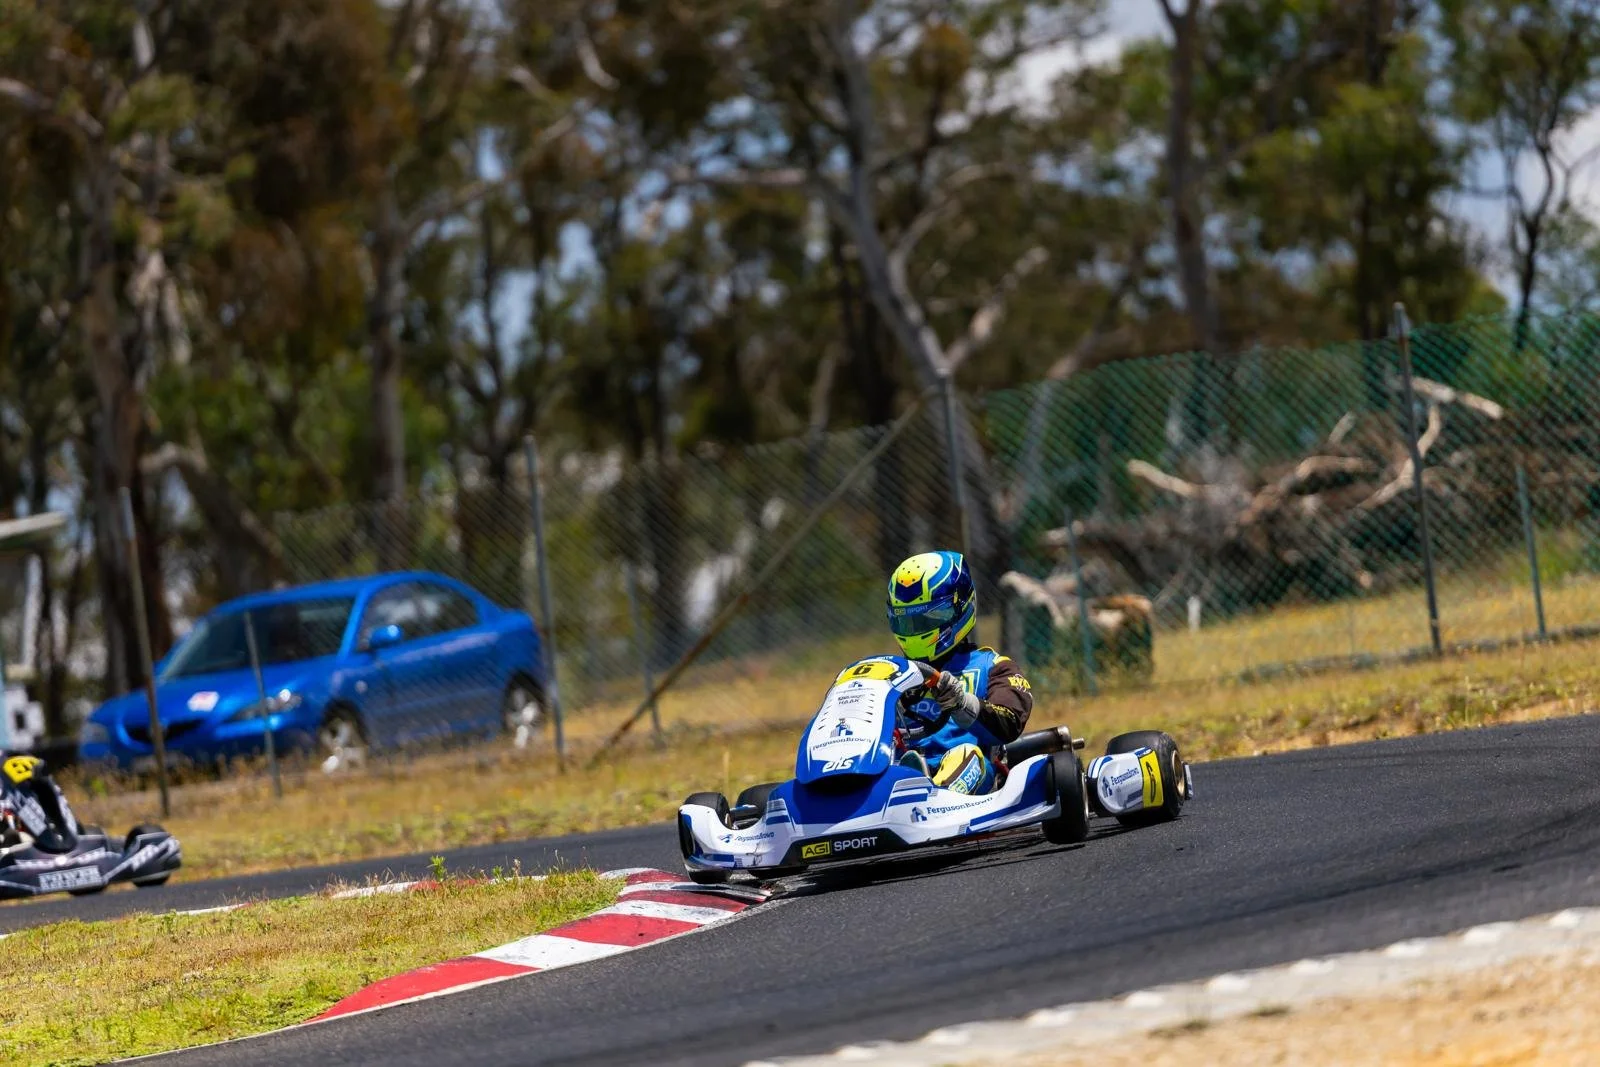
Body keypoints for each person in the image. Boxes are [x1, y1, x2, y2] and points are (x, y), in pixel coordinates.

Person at [885, 550, 1036, 795]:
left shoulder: (993, 666)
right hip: (898, 771)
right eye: (907, 622)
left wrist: (962, 703)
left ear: (960, 606)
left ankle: (933, 795)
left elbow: (1010, 721)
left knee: (965, 755)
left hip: (968, 771)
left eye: (926, 619)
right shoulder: (889, 674)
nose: (915, 630)